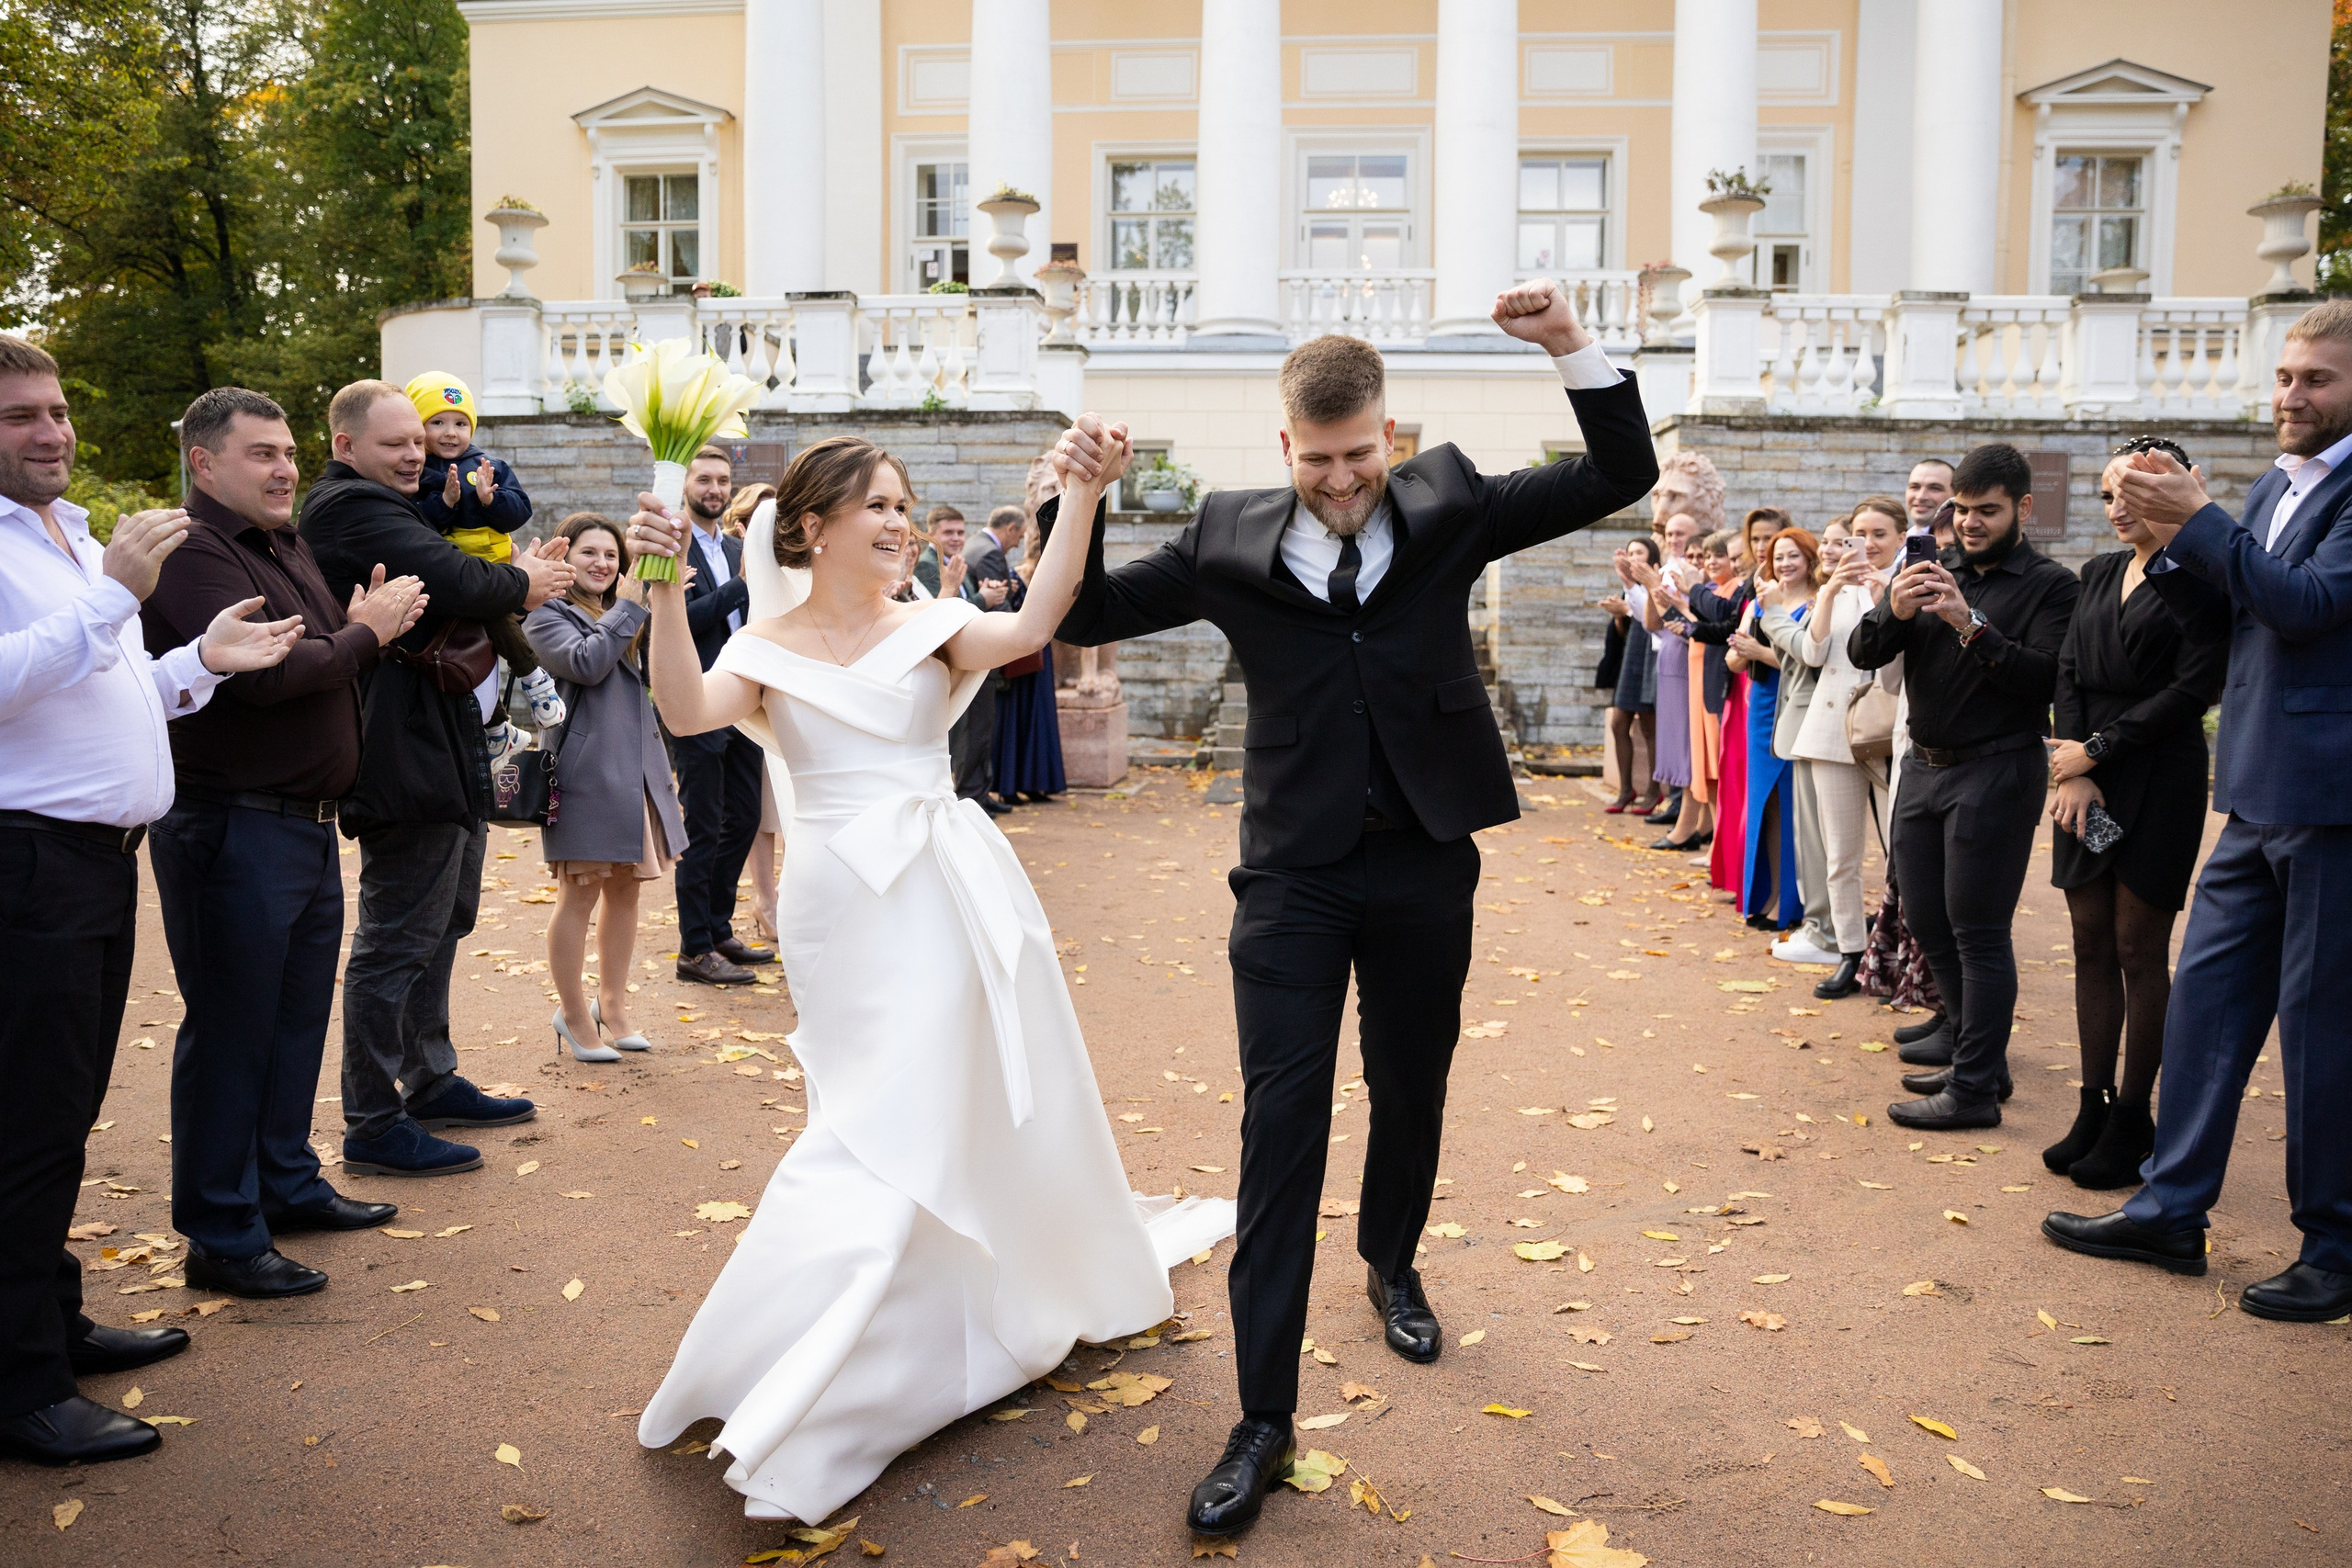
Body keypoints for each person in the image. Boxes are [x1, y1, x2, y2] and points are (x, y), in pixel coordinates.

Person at [1052, 281, 1657, 1539]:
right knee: (1281, 1121)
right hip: (1291, 872)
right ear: (1285, 448)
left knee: (1412, 1080)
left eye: (1360, 453)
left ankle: (1391, 1258)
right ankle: (1262, 1417)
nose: (1341, 479)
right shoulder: (1226, 536)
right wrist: (1082, 490)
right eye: (1319, 458)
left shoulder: (1453, 509)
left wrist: (1567, 346)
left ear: (1391, 432)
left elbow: (1617, 469)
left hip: (1428, 859)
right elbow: (1090, 610)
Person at [623, 432, 1234, 1522]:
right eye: (879, 507)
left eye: (906, 504)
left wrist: (1081, 496)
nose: (902, 523)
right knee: (861, 1109)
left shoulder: (934, 627)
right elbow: (684, 712)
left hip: (942, 897)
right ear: (812, 528)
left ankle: (895, 1339)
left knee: (931, 1102)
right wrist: (661, 590)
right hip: (834, 907)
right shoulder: (765, 643)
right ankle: (831, 1324)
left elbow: (1037, 622)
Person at [0, 336, 300, 1465]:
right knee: (25, 1120)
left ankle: (49, 1322)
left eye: (59, 409)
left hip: (89, 862)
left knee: (58, 1110)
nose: (53, 432)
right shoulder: (73, 561)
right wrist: (113, 598)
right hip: (25, 862)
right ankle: (21, 1384)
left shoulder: (68, 536)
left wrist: (202, 665)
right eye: (21, 416)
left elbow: (109, 692)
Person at [2044, 303, 2352, 1321]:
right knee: (2212, 1007)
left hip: (2333, 803)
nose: (2290, 397)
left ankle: (2334, 1242)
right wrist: (2165, 543)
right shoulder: (2272, 485)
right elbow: (2220, 621)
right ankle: (2172, 1207)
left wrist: (2199, 524)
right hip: (2253, 793)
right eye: (2283, 377)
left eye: (2316, 380)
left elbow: (2305, 607)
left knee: (2317, 1033)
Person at [141, 389, 424, 1300]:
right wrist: (365, 634)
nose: (284, 468)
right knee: (231, 1030)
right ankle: (222, 1235)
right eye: (261, 453)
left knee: (296, 1020)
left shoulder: (286, 542)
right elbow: (271, 670)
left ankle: (285, 1185)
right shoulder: (194, 553)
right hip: (230, 824)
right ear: (204, 463)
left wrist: (349, 634)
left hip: (302, 826)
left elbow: (320, 650)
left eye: (290, 452)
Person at [300, 379, 569, 1176]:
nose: (416, 453)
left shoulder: (400, 498)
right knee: (396, 938)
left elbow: (462, 569)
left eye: (419, 440)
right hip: (400, 748)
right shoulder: (350, 506)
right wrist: (522, 582)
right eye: (397, 444)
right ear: (346, 447)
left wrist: (506, 574)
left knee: (445, 918)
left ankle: (429, 1076)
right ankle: (374, 1119)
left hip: (447, 740)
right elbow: (457, 580)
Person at [1849, 443, 2081, 1130]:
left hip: (1997, 768)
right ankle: (1976, 1050)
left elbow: (2043, 680)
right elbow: (1865, 652)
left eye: (1989, 510)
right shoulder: (1933, 566)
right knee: (1925, 917)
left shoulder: (2050, 585)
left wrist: (1967, 622)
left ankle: (1976, 1088)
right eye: (1964, 509)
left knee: (1979, 931)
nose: (1972, 523)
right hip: (1923, 764)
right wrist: (1893, 606)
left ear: (2022, 508)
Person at [2036, 442, 2226, 1187]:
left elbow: (2193, 691)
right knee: (2088, 940)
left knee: (2138, 947)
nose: (2116, 507)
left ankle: (2134, 1118)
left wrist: (2097, 752)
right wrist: (2073, 762)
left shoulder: (2203, 578)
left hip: (2159, 775)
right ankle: (2093, 1102)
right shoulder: (2099, 571)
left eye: (2132, 492)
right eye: (2108, 493)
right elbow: (2070, 670)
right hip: (2088, 776)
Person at [525, 513, 687, 1063]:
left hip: (638, 769)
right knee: (581, 893)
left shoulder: (623, 614)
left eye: (612, 555)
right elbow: (586, 664)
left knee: (627, 889)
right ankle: (572, 1013)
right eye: (589, 553)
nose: (602, 563)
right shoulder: (544, 614)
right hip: (585, 777)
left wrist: (659, 604)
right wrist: (633, 605)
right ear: (564, 562)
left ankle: (612, 1007)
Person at [1788, 498, 1905, 999]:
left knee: (1900, 853)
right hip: (1832, 728)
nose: (1869, 544)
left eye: (1880, 534)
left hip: (1890, 731)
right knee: (1841, 855)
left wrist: (1888, 598)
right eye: (1860, 533)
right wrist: (1831, 592)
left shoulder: (1908, 584)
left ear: (1902, 537)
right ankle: (1850, 954)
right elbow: (1812, 652)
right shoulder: (1831, 589)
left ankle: (1901, 954)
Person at [403, 371, 565, 731]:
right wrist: (445, 502)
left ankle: (532, 676)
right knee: (466, 644)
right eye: (438, 422)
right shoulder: (418, 471)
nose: (450, 432)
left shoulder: (488, 466)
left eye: (461, 423)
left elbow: (521, 510)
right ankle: (497, 726)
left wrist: (492, 501)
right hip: (451, 567)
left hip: (491, 565)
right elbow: (417, 524)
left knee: (494, 622)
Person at [673, 445, 777, 983]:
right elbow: (680, 623)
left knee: (743, 819)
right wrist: (742, 584)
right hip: (698, 700)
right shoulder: (671, 547)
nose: (713, 489)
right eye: (704, 479)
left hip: (746, 700)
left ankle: (718, 928)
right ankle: (693, 949)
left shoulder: (739, 545)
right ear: (686, 485)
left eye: (722, 481)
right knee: (703, 826)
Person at [1758, 517, 1844, 965]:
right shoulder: (1831, 593)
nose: (1831, 549)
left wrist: (1771, 614)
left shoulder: (1834, 594)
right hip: (1804, 723)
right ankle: (1820, 927)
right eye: (1827, 541)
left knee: (1825, 840)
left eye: (1840, 542)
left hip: (1828, 725)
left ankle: (1830, 934)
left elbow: (1809, 650)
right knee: (1811, 835)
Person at [721, 484, 786, 939]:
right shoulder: (728, 564)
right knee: (759, 810)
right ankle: (765, 899)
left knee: (786, 803)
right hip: (738, 691)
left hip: (784, 689)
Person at [1632, 513, 1707, 849]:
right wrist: (1653, 586)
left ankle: (1692, 824)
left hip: (1693, 664)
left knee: (1689, 747)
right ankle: (1696, 822)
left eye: (1683, 535)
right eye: (1671, 534)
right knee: (1676, 742)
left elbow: (1695, 624)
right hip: (1670, 659)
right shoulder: (1668, 572)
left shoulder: (1704, 581)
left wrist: (1657, 587)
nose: (1675, 540)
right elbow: (1653, 623)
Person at [996, 474, 1069, 805]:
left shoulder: (1036, 578)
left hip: (1040, 657)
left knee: (1037, 719)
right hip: (1021, 657)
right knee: (1018, 720)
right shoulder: (1017, 576)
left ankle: (1035, 782)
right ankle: (1012, 785)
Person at [1599, 538, 1660, 814]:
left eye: (1640, 553)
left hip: (1652, 653)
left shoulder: (1656, 581)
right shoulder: (1631, 588)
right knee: (1618, 722)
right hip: (1633, 653)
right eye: (1631, 552)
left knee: (1649, 726)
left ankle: (1655, 790)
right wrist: (1619, 614)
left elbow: (1649, 618)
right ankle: (1626, 789)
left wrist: (1628, 594)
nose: (1634, 557)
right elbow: (1627, 628)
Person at [1905, 458, 1955, 537]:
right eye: (1915, 487)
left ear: (1954, 495)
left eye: (1934, 488)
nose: (1921, 496)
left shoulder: (1960, 546)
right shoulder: (1898, 544)